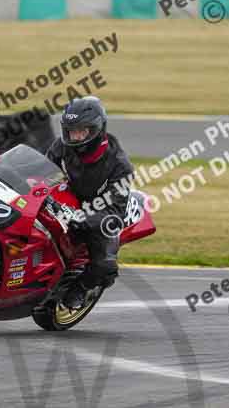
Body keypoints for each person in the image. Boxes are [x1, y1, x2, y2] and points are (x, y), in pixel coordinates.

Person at [45, 96, 134, 309]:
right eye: (70, 131)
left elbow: (114, 212)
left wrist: (86, 219)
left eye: (81, 131)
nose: (74, 137)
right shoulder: (64, 145)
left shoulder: (120, 165)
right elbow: (43, 168)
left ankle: (81, 289)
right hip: (68, 196)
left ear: (96, 130)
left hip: (98, 209)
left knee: (105, 265)